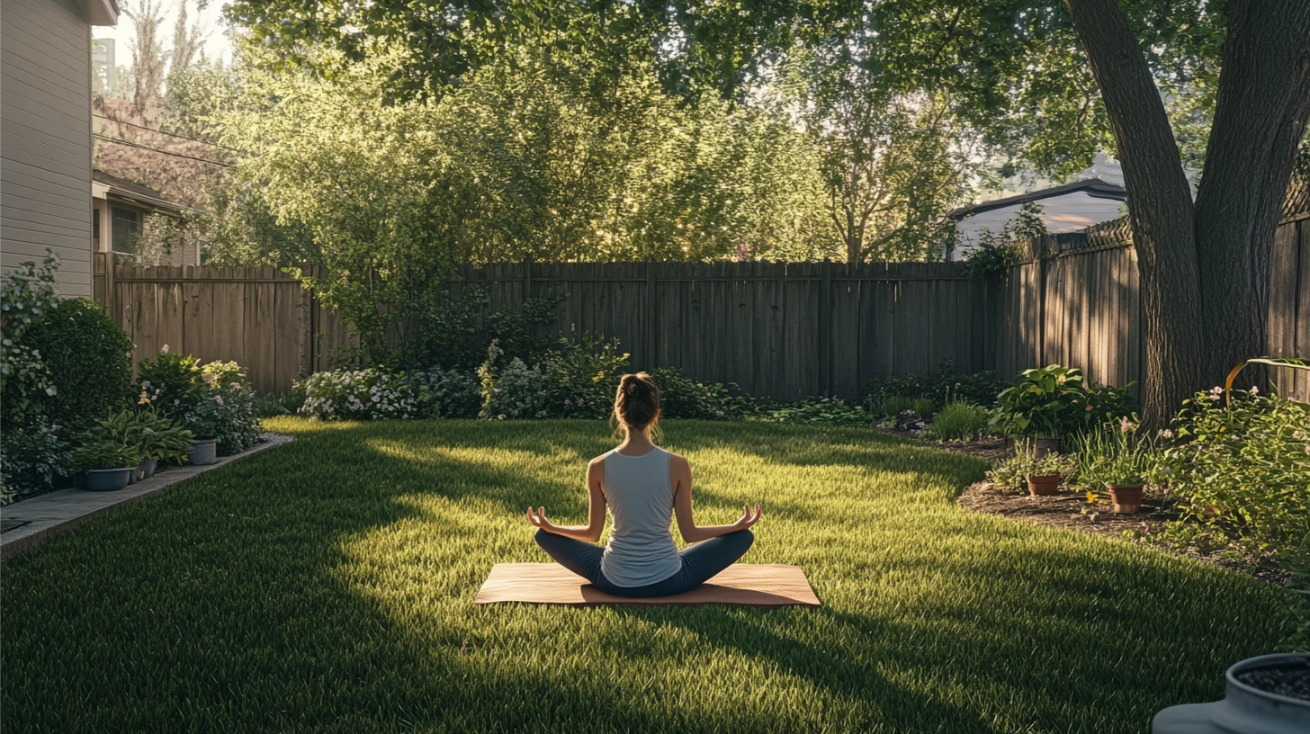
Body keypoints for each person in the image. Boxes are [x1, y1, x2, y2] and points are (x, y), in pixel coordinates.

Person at [527, 372, 762, 598]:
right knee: (743, 537)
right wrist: (735, 525)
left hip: (612, 581)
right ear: (656, 414)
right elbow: (690, 533)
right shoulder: (678, 465)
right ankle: (659, 562)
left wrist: (551, 527)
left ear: (619, 415)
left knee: (544, 536)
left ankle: (621, 562)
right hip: (670, 580)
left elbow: (592, 533)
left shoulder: (597, 466)